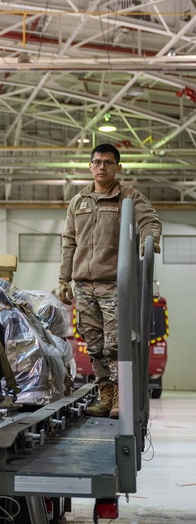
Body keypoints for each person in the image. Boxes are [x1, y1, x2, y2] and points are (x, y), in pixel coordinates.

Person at [58, 143, 161, 419]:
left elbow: (150, 220)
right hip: (83, 285)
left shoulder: (127, 196)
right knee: (94, 345)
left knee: (116, 343)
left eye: (107, 162)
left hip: (113, 284)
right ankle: (105, 396)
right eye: (97, 162)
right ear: (90, 166)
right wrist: (63, 279)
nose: (101, 166)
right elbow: (69, 242)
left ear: (118, 167)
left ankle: (120, 398)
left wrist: (149, 243)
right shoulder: (78, 201)